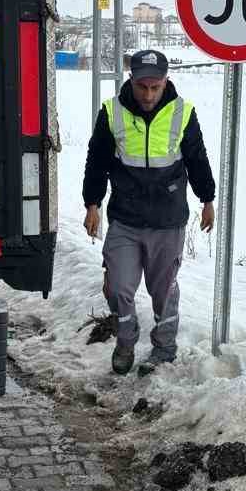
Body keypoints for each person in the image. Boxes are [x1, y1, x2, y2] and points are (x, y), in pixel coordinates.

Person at [83, 49, 216, 375]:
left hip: (168, 221)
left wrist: (207, 198)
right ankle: (126, 340)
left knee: (163, 291)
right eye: (143, 86)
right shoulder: (112, 112)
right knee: (117, 287)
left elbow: (197, 158)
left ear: (165, 81)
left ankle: (164, 349)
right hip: (125, 220)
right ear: (132, 80)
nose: (148, 94)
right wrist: (92, 204)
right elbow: (97, 160)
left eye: (155, 87)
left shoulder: (182, 113)